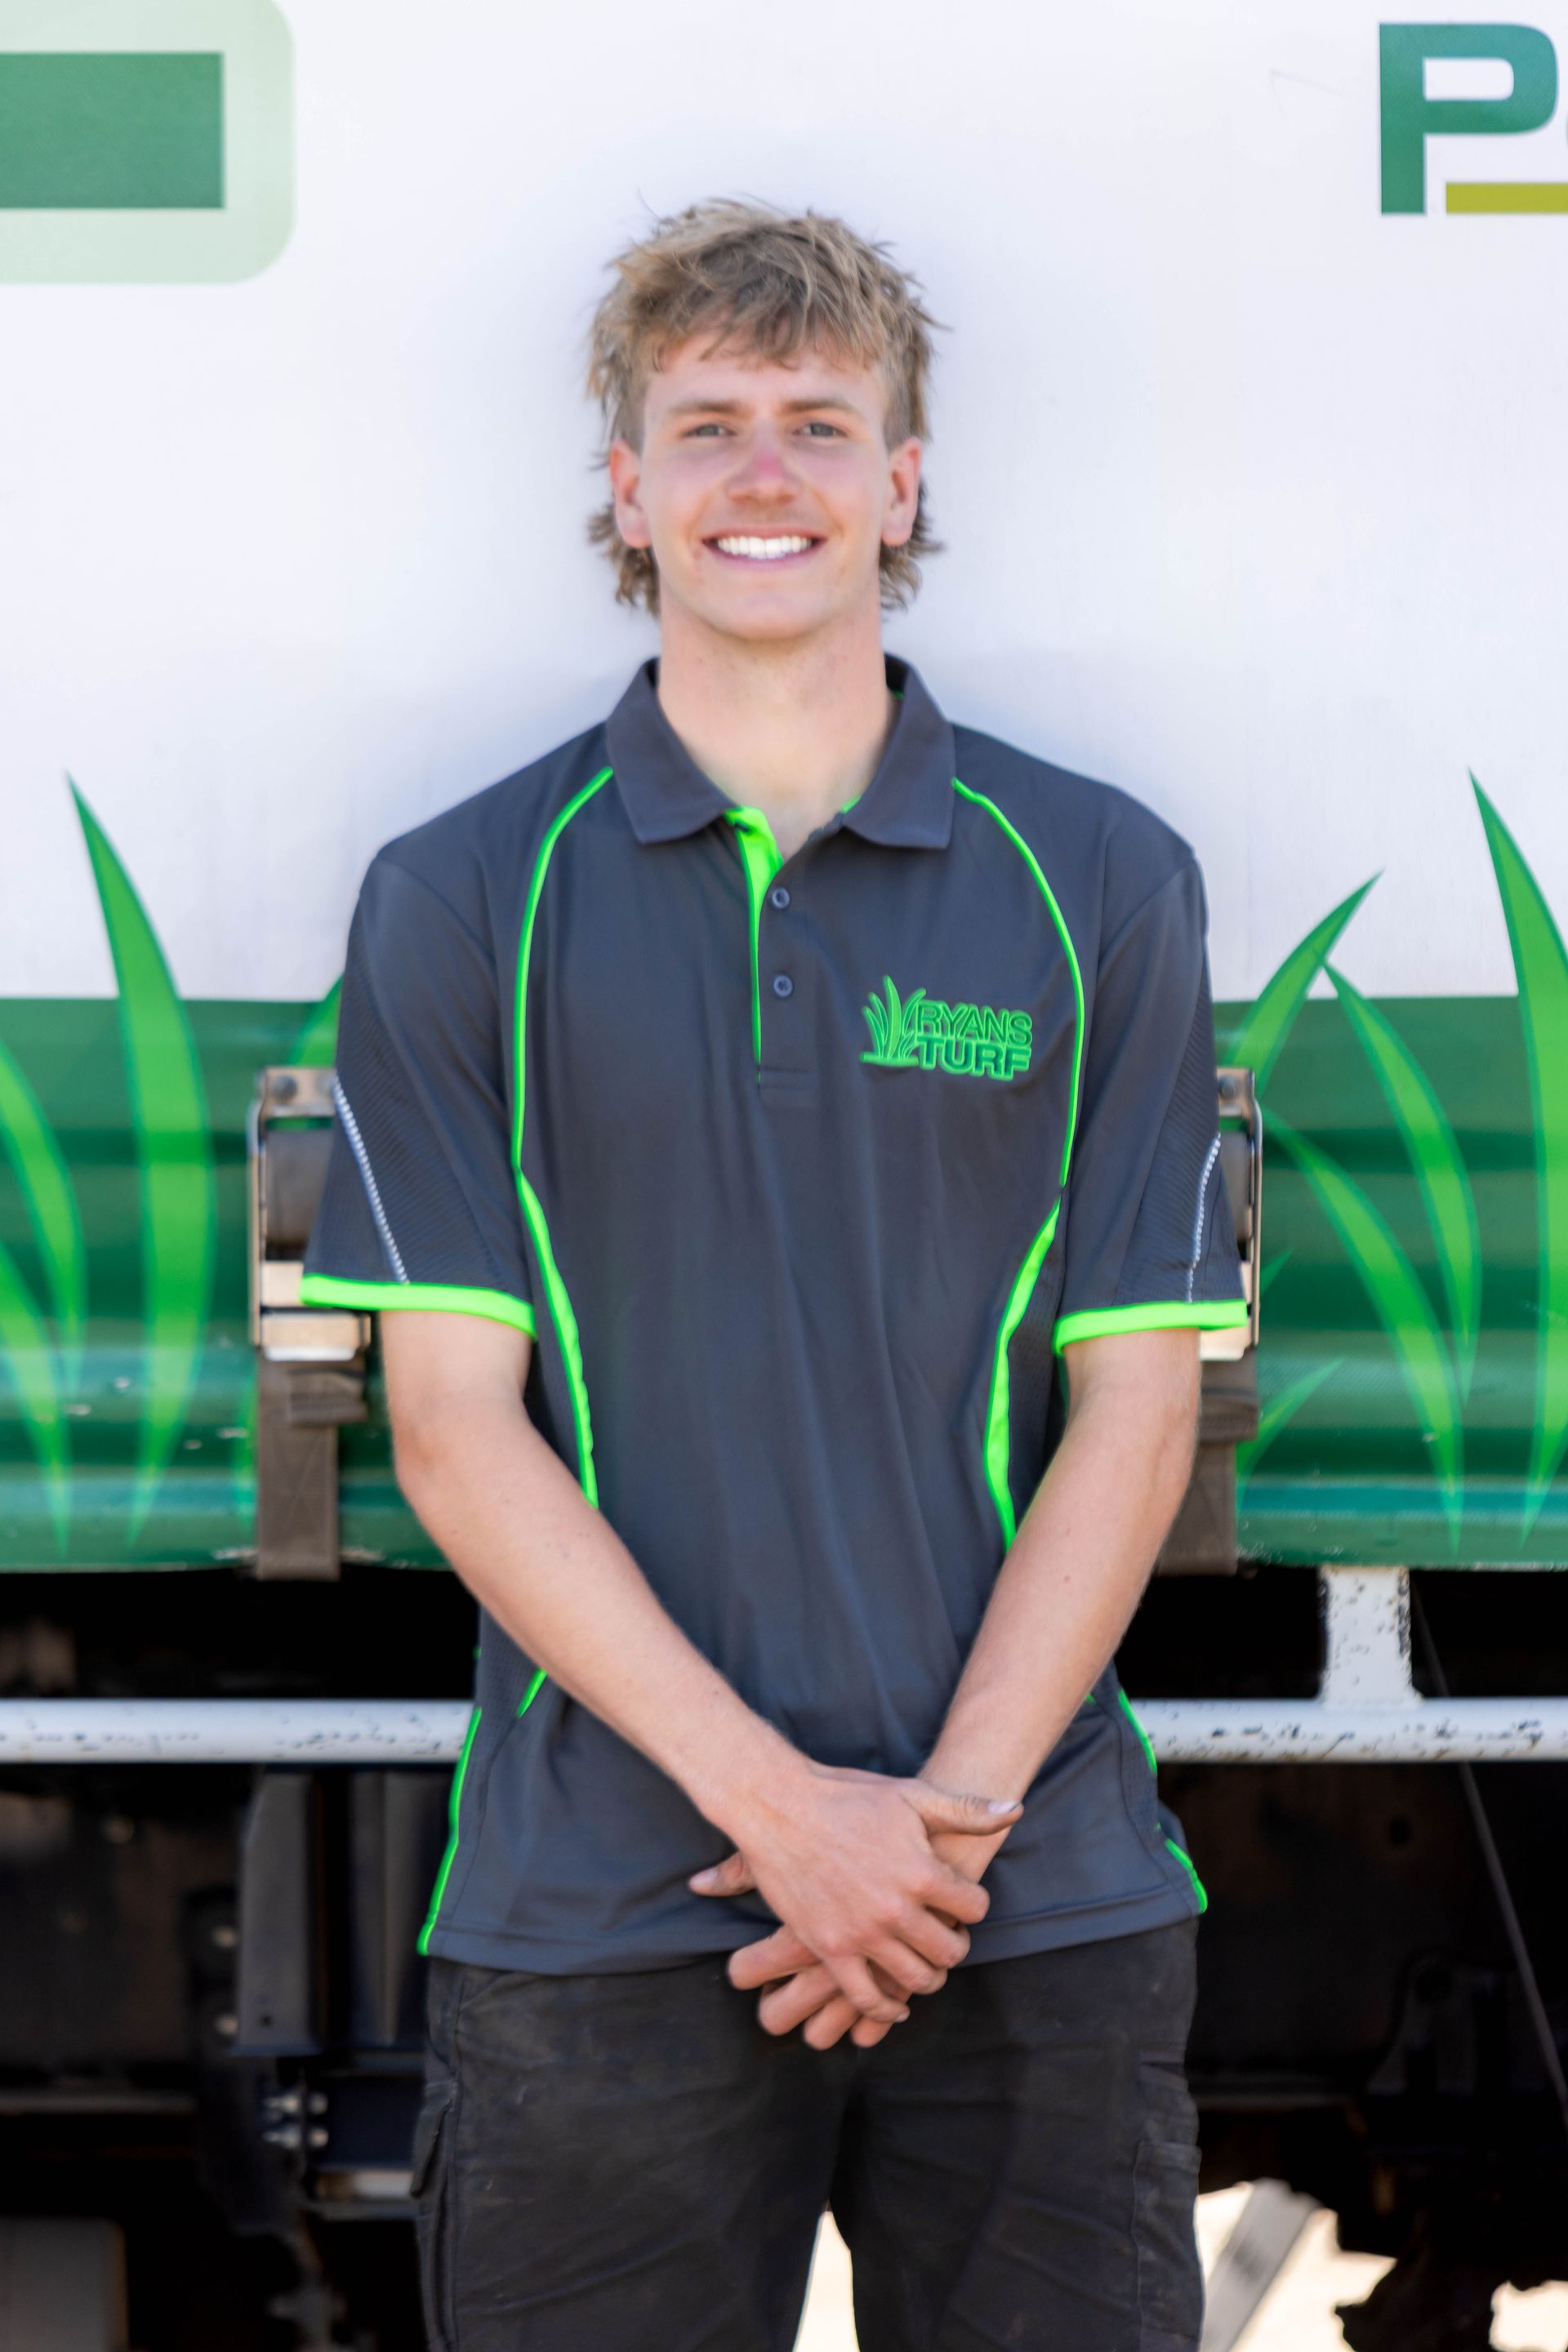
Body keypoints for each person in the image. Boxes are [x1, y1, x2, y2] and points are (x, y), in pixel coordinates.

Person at [301, 198, 1246, 2352]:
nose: (764, 477)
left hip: (1028, 1902)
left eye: (823, 425)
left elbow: (1138, 1403)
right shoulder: (465, 895)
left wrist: (933, 1833)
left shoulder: (1095, 875)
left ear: (904, 484)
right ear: (623, 489)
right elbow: (452, 1431)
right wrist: (791, 1820)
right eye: (705, 425)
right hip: (607, 1909)